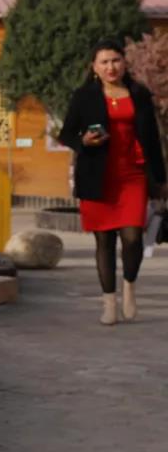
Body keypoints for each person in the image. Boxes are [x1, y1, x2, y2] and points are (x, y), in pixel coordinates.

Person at [60, 39, 167, 325]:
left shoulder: (139, 94)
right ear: (94, 67)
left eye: (116, 60)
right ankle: (109, 302)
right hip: (97, 175)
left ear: (124, 62)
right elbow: (66, 134)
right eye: (104, 62)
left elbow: (153, 140)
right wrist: (83, 141)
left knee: (132, 237)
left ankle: (129, 286)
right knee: (104, 241)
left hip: (133, 175)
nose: (111, 67)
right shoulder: (84, 96)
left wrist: (161, 179)